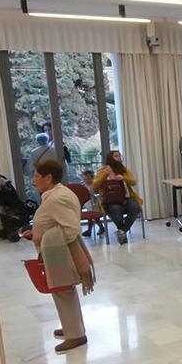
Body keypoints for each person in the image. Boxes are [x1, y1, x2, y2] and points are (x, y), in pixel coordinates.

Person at [21, 160, 92, 353]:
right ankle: (73, 327)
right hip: (55, 249)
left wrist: (42, 237)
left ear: (48, 177)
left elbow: (70, 228)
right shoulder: (56, 194)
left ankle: (75, 335)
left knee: (63, 290)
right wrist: (36, 233)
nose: (33, 180)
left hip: (59, 251)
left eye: (36, 176)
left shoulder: (58, 198)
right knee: (63, 291)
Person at [92, 150, 143, 245]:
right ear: (110, 158)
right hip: (111, 200)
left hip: (126, 198)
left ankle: (121, 232)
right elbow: (95, 186)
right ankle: (122, 233)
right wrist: (105, 175)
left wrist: (124, 178)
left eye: (119, 156)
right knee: (116, 210)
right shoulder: (103, 170)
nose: (119, 157)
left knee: (135, 208)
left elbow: (133, 182)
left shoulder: (123, 170)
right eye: (116, 156)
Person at [79, 169, 106, 237]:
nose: (86, 181)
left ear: (92, 178)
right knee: (90, 216)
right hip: (87, 203)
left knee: (94, 216)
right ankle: (98, 227)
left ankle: (92, 229)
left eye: (88, 179)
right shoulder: (82, 185)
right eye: (85, 179)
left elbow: (97, 193)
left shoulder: (95, 185)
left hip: (95, 202)